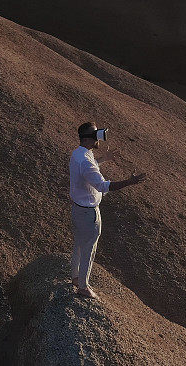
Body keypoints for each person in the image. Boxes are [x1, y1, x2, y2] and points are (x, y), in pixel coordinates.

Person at [69, 121, 147, 299]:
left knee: (79, 245)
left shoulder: (79, 154)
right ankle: (83, 286)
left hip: (77, 209)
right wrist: (130, 182)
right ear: (89, 138)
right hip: (89, 213)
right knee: (89, 247)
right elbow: (103, 186)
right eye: (96, 135)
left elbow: (88, 167)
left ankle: (75, 277)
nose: (100, 137)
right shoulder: (85, 161)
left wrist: (104, 159)